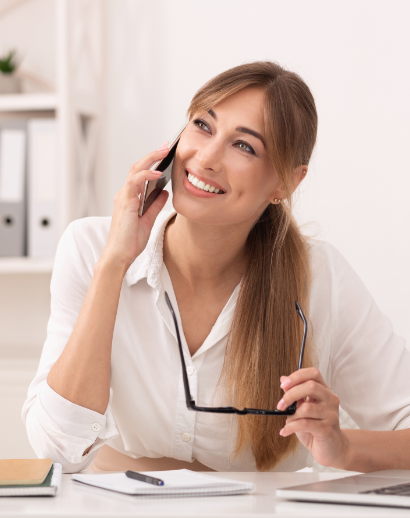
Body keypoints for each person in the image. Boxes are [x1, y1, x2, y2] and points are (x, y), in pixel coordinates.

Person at [22, 61, 410, 474]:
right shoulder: (92, 249)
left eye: (244, 146)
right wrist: (114, 265)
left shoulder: (320, 278)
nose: (205, 158)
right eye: (203, 126)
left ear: (286, 184)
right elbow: (56, 449)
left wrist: (344, 447)